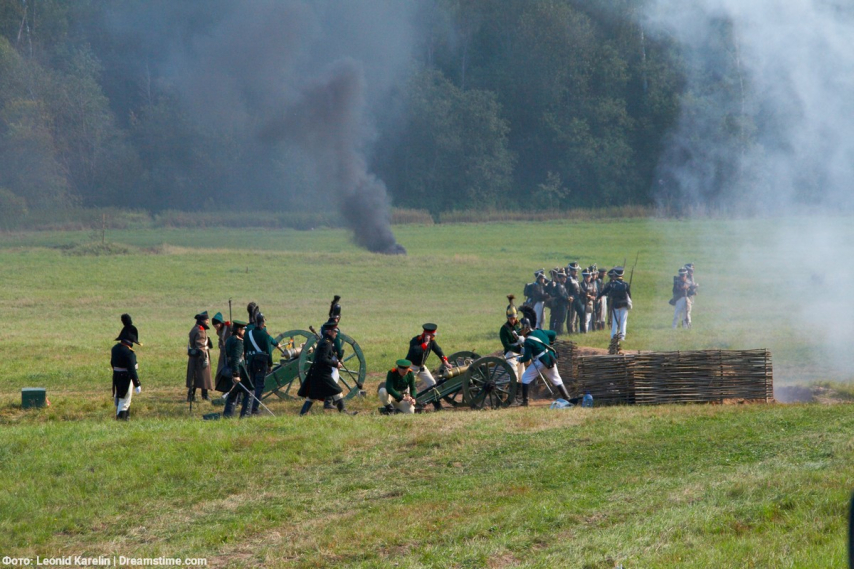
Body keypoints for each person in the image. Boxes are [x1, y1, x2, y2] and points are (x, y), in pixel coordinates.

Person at [298, 321, 357, 415]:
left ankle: (303, 413)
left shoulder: (325, 342)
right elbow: (323, 359)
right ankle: (344, 412)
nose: (336, 333)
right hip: (322, 374)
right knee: (336, 390)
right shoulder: (326, 343)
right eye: (335, 331)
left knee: (312, 395)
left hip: (317, 372)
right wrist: (336, 364)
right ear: (329, 331)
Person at [518, 324, 573, 406]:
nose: (521, 333)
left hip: (541, 361)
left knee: (525, 378)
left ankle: (525, 402)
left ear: (526, 329)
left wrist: (519, 359)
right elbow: (553, 333)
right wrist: (551, 343)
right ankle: (567, 397)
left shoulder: (528, 341)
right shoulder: (540, 331)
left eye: (522, 330)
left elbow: (527, 358)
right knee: (556, 379)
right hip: (551, 358)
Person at [405, 323, 452, 411]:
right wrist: (425, 343)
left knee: (432, 384)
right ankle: (408, 407)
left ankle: (437, 406)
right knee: (407, 387)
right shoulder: (415, 340)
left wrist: (445, 362)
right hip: (411, 367)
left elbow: (439, 351)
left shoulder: (432, 342)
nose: (434, 336)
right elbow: (415, 351)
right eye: (433, 334)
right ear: (427, 334)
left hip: (421, 367)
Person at [243, 312, 276, 417]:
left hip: (250, 362)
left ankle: (248, 407)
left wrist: (246, 361)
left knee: (252, 384)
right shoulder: (264, 335)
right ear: (262, 323)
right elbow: (268, 351)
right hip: (261, 363)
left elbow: (245, 349)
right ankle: (254, 408)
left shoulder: (248, 334)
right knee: (259, 386)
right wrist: (270, 364)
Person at [219, 320, 247, 418]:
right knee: (248, 392)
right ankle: (245, 414)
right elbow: (236, 359)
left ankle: (228, 415)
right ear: (239, 330)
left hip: (229, 367)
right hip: (237, 370)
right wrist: (236, 374)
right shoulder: (238, 342)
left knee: (233, 394)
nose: (244, 331)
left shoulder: (229, 339)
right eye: (243, 329)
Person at [111, 329, 141, 420]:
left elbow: (112, 363)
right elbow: (132, 370)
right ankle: (121, 420)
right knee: (125, 401)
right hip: (126, 378)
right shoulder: (128, 352)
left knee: (120, 399)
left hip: (117, 376)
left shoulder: (115, 348)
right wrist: (137, 383)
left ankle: (124, 418)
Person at [323, 295, 345, 410]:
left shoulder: (324, 326)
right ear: (338, 318)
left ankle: (332, 400)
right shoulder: (335, 329)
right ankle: (328, 401)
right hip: (331, 357)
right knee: (334, 376)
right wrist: (340, 357)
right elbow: (337, 345)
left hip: (322, 354)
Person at [599, 267, 632, 340]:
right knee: (623, 321)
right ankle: (622, 337)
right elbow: (629, 295)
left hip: (616, 305)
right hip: (624, 304)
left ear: (615, 275)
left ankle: (613, 336)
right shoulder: (626, 284)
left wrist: (598, 297)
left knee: (615, 322)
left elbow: (604, 292)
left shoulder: (612, 284)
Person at [186, 311, 213, 402]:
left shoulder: (196, 328)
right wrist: (205, 357)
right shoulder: (200, 330)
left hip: (195, 356)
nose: (208, 322)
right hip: (200, 357)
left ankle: (191, 395)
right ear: (202, 320)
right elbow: (200, 345)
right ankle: (204, 395)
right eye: (207, 320)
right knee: (203, 377)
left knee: (195, 376)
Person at [500, 295, 525, 381]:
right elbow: (506, 345)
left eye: (514, 318)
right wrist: (519, 349)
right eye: (510, 318)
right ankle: (513, 388)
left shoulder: (519, 326)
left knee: (522, 376)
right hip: (510, 354)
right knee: (514, 375)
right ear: (508, 318)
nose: (512, 320)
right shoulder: (504, 329)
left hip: (520, 353)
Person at [212, 312, 232, 390]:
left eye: (217, 326)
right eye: (214, 326)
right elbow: (220, 339)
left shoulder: (228, 327)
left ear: (220, 323)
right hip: (223, 352)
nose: (216, 328)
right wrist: (220, 344)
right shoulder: (219, 331)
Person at [565, 262, 584, 333]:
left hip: (577, 299)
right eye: (574, 271)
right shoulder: (568, 280)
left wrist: (585, 293)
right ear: (571, 271)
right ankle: (570, 331)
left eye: (576, 270)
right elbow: (566, 291)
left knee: (582, 314)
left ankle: (582, 330)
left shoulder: (576, 278)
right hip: (572, 300)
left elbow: (580, 289)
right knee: (571, 316)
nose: (576, 272)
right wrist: (568, 298)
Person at [683, 263, 698, 328]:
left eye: (692, 270)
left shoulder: (691, 277)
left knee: (688, 311)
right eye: (690, 270)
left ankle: (686, 323)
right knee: (687, 311)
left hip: (690, 295)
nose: (692, 272)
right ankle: (687, 324)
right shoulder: (684, 277)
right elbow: (686, 287)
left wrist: (694, 290)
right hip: (686, 295)